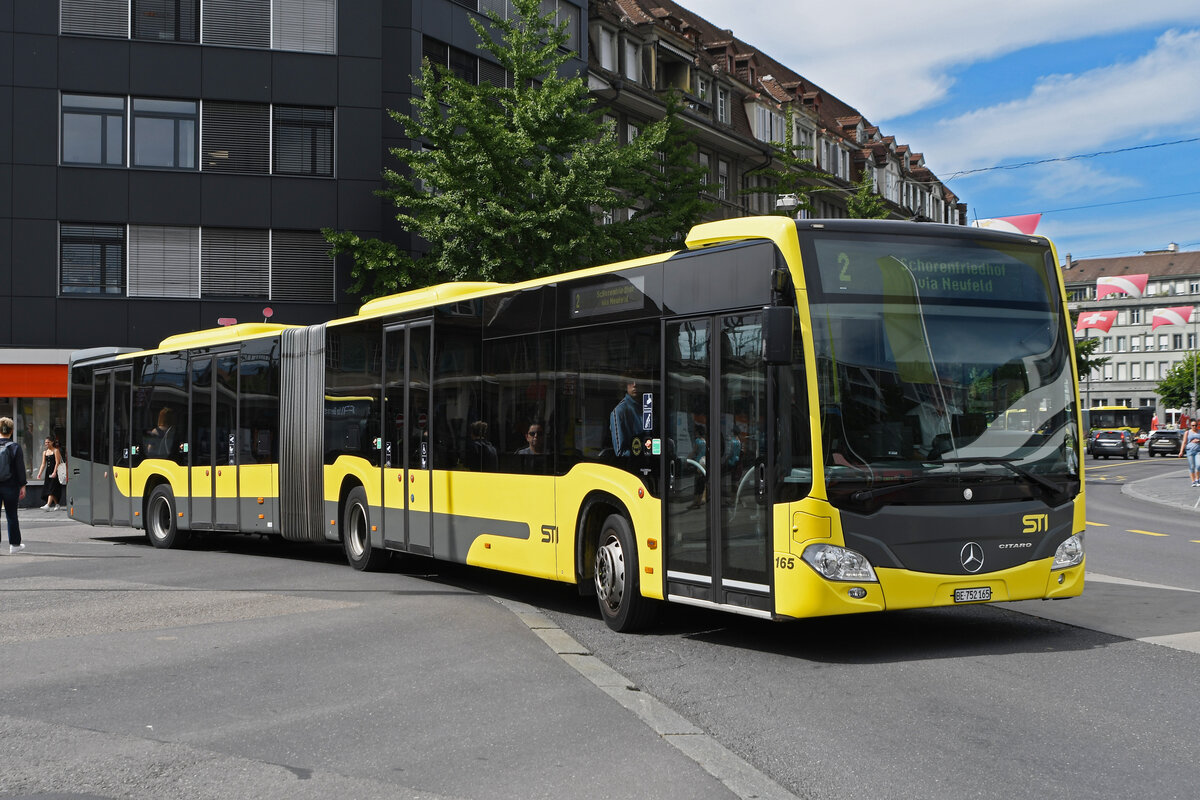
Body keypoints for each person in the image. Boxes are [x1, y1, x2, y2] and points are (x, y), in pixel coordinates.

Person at [0, 417, 28, 554]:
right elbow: (20, 469)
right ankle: (14, 545)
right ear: (11, 431)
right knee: (11, 515)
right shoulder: (15, 447)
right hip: (10, 486)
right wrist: (22, 485)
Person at [610, 378, 640, 456]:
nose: (634, 384)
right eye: (630, 382)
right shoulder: (619, 412)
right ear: (625, 386)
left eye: (638, 380)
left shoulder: (648, 406)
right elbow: (620, 452)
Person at [35, 436, 64, 511]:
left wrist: (54, 472)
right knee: (50, 488)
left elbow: (57, 462)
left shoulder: (56, 450)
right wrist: (39, 473)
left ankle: (48, 505)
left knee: (51, 488)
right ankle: (57, 504)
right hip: (48, 472)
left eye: (48, 442)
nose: (46, 444)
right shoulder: (45, 452)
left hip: (55, 471)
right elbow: (43, 464)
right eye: (45, 442)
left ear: (52, 442)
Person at [1179, 419, 1200, 487]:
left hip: (1198, 451)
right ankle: (1193, 481)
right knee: (1192, 466)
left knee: (1198, 465)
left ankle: (1197, 479)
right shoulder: (1187, 432)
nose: (1194, 427)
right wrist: (1181, 451)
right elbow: (1184, 442)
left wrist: (1198, 440)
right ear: (1190, 426)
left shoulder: (1199, 432)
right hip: (1190, 451)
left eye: (1195, 425)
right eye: (1193, 425)